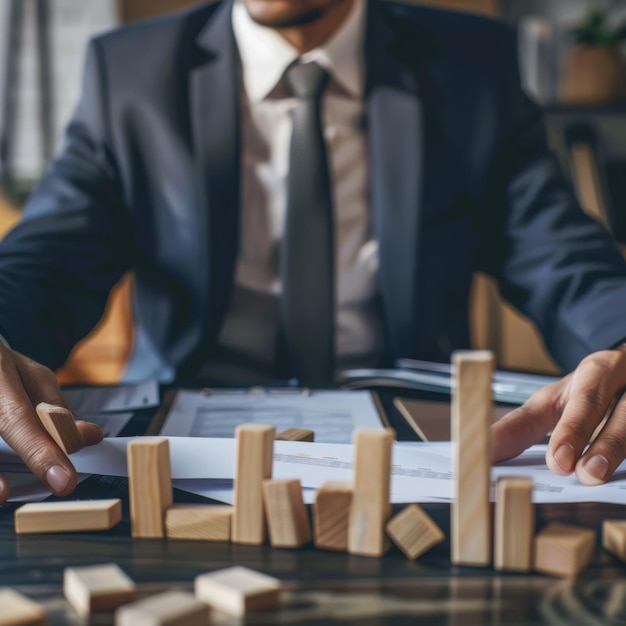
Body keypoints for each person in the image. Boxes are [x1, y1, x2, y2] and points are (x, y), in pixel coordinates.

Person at [0, 0, 625, 504]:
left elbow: (564, 261)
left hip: (418, 444)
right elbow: (45, 263)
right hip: (179, 442)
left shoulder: (470, 64)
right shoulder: (130, 70)